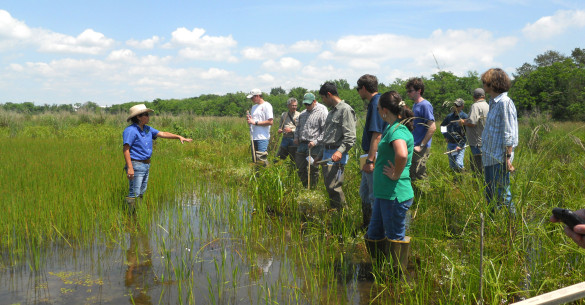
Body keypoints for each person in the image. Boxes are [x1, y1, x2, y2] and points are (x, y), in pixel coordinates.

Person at [365, 91, 414, 274]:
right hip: (383, 194)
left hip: (394, 194)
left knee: (395, 237)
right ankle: (379, 270)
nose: (378, 112)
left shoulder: (397, 130)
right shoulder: (392, 127)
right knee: (374, 234)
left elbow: (401, 154)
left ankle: (395, 279)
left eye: (378, 109)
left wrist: (395, 174)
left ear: (385, 110)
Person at [123, 104, 192, 211]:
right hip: (136, 164)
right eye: (146, 114)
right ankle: (130, 218)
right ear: (138, 117)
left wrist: (178, 136)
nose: (148, 117)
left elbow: (163, 133)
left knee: (141, 191)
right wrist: (130, 167)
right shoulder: (131, 130)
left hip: (146, 164)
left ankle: (138, 213)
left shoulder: (147, 129)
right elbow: (126, 149)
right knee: (134, 192)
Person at [481, 68, 518, 213]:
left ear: (493, 83)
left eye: (485, 82)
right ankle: (493, 226)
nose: (483, 84)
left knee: (503, 195)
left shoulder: (505, 102)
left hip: (499, 158)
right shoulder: (493, 102)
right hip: (489, 157)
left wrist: (507, 158)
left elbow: (509, 133)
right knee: (490, 194)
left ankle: (511, 226)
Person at [318, 82, 356, 210]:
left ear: (329, 95)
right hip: (327, 154)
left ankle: (343, 217)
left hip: (336, 155)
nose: (323, 101)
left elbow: (350, 137)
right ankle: (335, 214)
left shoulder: (345, 110)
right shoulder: (331, 112)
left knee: (335, 187)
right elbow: (327, 137)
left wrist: (340, 152)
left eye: (323, 98)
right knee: (329, 187)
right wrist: (319, 155)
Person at [357, 74, 388, 230]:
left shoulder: (376, 103)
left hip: (373, 156)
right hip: (369, 155)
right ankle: (367, 224)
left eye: (358, 89)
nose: (358, 92)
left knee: (373, 194)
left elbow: (377, 135)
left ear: (364, 88)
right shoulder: (378, 101)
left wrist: (370, 161)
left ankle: (376, 229)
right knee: (364, 192)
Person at [294, 93, 328, 188]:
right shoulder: (302, 114)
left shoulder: (321, 113)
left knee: (313, 169)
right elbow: (298, 127)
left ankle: (313, 188)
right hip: (302, 144)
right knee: (300, 168)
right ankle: (305, 186)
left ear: (314, 102)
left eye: (309, 104)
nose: (307, 106)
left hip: (315, 146)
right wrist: (296, 137)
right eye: (305, 104)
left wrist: (316, 142)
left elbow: (325, 131)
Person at [406, 77, 436, 184]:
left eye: (410, 91)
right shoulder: (415, 105)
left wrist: (421, 145)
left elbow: (432, 127)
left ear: (419, 90)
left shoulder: (425, 105)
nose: (408, 93)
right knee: (413, 174)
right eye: (407, 91)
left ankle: (425, 198)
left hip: (420, 147)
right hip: (414, 145)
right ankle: (415, 198)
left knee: (420, 175)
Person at [460, 88, 490, 175]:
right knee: (485, 166)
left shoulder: (475, 106)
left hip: (477, 142)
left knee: (477, 168)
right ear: (484, 96)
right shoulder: (488, 105)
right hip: (486, 141)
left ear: (474, 97)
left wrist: (462, 122)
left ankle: (477, 186)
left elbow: (472, 122)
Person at [246, 88, 274, 165]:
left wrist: (255, 122)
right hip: (254, 137)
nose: (251, 99)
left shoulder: (267, 105)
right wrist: (250, 120)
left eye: (252, 97)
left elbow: (270, 122)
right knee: (255, 160)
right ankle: (257, 175)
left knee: (262, 160)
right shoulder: (254, 107)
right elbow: (253, 121)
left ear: (258, 96)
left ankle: (266, 174)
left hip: (262, 137)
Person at [440, 98, 469, 173]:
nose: (456, 107)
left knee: (458, 163)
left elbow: (467, 133)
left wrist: (461, 145)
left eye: (458, 106)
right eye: (455, 105)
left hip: (459, 144)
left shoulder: (465, 117)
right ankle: (455, 180)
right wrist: (445, 136)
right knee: (452, 164)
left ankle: (462, 178)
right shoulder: (449, 116)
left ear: (462, 106)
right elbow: (442, 126)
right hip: (450, 143)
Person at [276, 98, 300, 162]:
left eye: (295, 105)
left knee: (294, 158)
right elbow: (280, 126)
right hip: (285, 138)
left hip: (294, 139)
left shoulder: (300, 115)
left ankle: (293, 169)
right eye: (292, 105)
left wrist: (291, 130)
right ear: (288, 106)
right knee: (279, 157)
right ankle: (277, 167)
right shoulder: (284, 114)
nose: (294, 107)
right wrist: (279, 129)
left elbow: (301, 128)